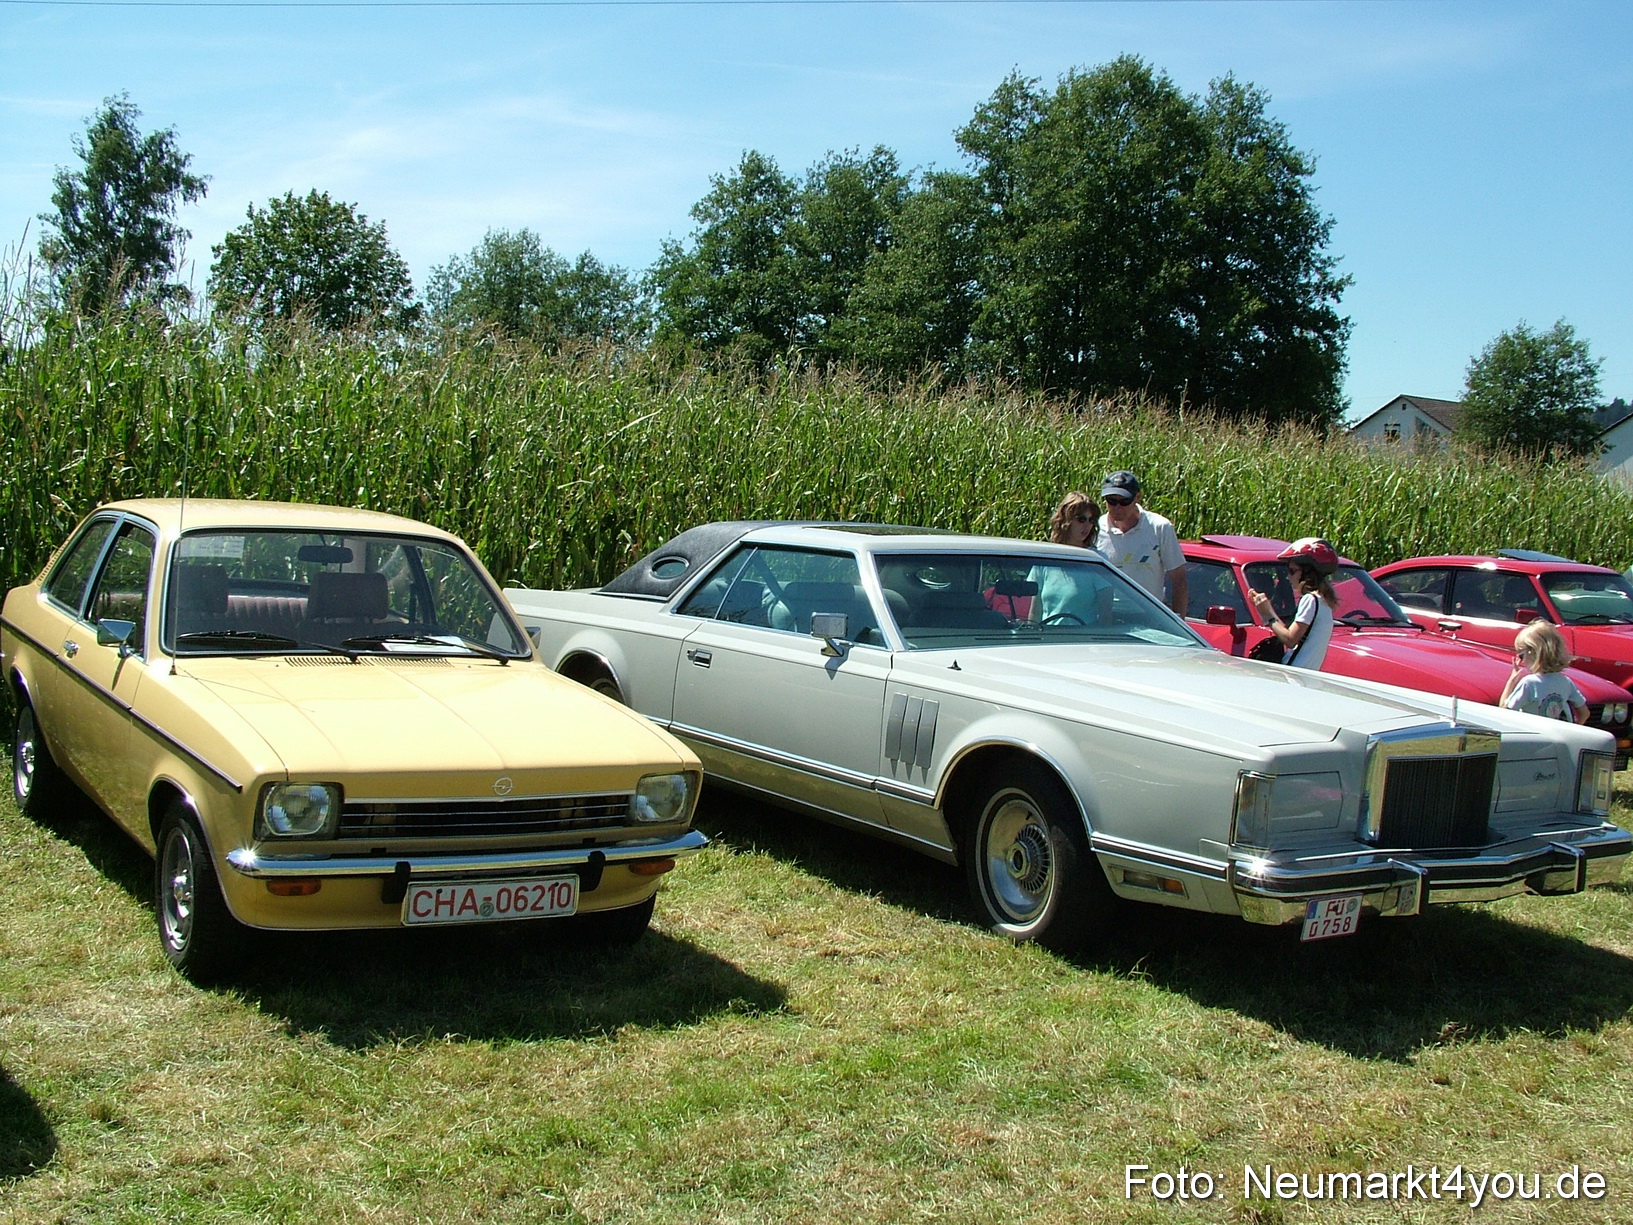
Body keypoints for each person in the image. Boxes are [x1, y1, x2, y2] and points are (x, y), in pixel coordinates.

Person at [1095, 470, 1187, 614]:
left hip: (1149, 614)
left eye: (1124, 501)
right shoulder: (1096, 528)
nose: (1117, 508)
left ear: (1138, 497)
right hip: (1106, 616)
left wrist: (1180, 623)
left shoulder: (1159, 527)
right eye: (1111, 501)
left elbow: (1179, 580)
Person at [1249, 538, 1338, 670]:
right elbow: (1290, 633)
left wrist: (1267, 614)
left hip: (1295, 676)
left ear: (1307, 572)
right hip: (1307, 677)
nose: (1287, 577)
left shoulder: (1310, 600)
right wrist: (1268, 610)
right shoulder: (1323, 601)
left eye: (1292, 571)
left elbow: (1290, 639)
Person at [1023, 492, 1111, 625]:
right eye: (1081, 519)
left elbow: (1106, 615)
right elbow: (1035, 613)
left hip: (1083, 640)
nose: (1087, 525)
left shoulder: (1096, 561)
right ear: (1065, 520)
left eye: (1091, 520)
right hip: (1047, 639)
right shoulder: (1045, 559)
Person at [1500, 620, 1588, 723]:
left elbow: (1503, 712)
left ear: (1533, 652)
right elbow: (1584, 713)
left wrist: (1511, 681)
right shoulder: (1566, 682)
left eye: (1521, 655)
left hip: (1531, 736)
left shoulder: (1530, 683)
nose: (1522, 661)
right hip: (1553, 736)